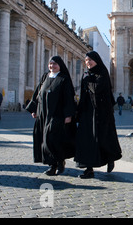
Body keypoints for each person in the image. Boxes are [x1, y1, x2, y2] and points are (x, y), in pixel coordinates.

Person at [26, 56, 77, 176]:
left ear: (60, 65)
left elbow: (69, 98)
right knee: (45, 141)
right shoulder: (45, 76)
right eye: (50, 64)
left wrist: (68, 114)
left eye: (54, 64)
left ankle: (59, 161)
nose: (52, 66)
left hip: (57, 114)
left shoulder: (64, 79)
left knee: (52, 138)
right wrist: (34, 109)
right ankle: (53, 165)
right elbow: (38, 94)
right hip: (43, 114)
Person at [75, 51, 122, 179]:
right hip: (87, 111)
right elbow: (84, 94)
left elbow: (97, 89)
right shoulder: (86, 74)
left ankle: (110, 158)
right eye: (86, 61)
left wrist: (88, 81)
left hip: (101, 112)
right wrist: (79, 111)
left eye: (90, 60)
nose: (88, 62)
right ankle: (88, 169)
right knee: (86, 140)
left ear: (96, 60)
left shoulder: (103, 72)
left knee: (103, 138)